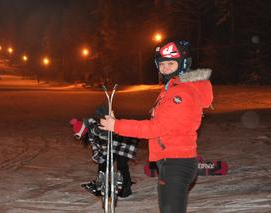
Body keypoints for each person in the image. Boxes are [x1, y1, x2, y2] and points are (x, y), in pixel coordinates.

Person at [100, 39, 213, 213]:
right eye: (162, 64)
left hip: (176, 163)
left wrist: (117, 126)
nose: (165, 68)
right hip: (171, 162)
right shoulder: (173, 87)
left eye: (171, 63)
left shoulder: (180, 92)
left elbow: (156, 128)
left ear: (182, 64)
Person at [70, 104, 139, 198]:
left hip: (124, 142)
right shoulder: (92, 129)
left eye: (81, 136)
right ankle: (105, 185)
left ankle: (123, 189)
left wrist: (98, 157)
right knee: (109, 164)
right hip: (117, 143)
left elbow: (100, 146)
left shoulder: (94, 130)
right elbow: (98, 147)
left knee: (119, 165)